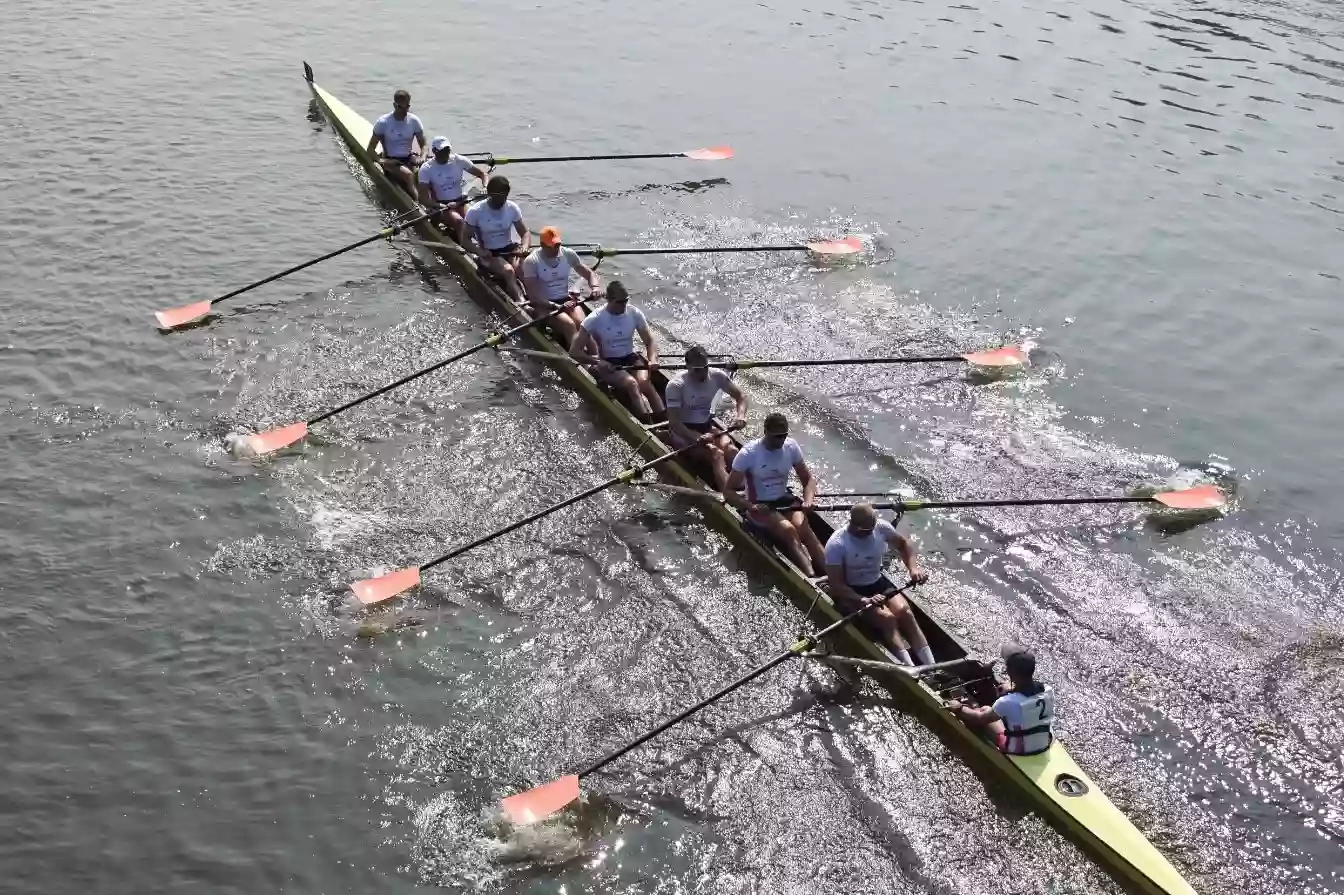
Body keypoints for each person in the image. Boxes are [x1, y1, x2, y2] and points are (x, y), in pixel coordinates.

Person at [823, 503, 933, 666]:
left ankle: (932, 666)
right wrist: (862, 600)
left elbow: (904, 545)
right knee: (887, 619)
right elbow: (836, 584)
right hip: (853, 591)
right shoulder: (837, 544)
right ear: (858, 528)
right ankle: (910, 669)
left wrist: (913, 569)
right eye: (870, 528)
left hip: (877, 582)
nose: (874, 529)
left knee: (905, 612)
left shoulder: (881, 527)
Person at [722, 412, 827, 575]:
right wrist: (751, 506)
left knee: (804, 529)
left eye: (784, 435)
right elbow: (728, 491)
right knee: (790, 531)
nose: (782, 440)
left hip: (784, 499)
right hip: (760, 505)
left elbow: (808, 480)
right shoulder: (749, 453)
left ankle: (832, 576)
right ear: (766, 432)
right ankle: (812, 579)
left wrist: (808, 500)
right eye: (777, 436)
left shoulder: (791, 447)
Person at [568, 281, 664, 422]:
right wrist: (598, 362)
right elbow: (574, 352)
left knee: (644, 383)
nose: (624, 305)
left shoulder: (634, 313)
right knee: (632, 384)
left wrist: (653, 359)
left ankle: (667, 424)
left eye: (626, 301)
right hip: (608, 362)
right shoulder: (595, 319)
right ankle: (648, 427)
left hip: (630, 358)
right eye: (620, 302)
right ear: (610, 299)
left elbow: (650, 341)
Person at [947, 643, 1056, 756]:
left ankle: (972, 705)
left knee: (984, 710)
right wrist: (1013, 689)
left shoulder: (1007, 702)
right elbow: (1027, 697)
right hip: (1045, 742)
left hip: (1019, 750)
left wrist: (959, 708)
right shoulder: (1047, 689)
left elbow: (979, 719)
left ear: (1010, 672)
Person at [665, 345, 748, 488]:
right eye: (697, 370)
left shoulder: (717, 376)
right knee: (717, 454)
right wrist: (695, 437)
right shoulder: (676, 386)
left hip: (707, 427)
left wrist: (740, 416)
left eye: (705, 367)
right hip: (684, 434)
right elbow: (674, 423)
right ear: (688, 367)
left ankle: (749, 489)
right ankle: (730, 496)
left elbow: (741, 397)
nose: (703, 373)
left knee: (733, 451)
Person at [520, 227, 599, 344]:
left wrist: (595, 287)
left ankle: (596, 356)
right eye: (552, 246)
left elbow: (589, 273)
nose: (556, 248)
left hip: (566, 299)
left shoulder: (568, 254)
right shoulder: (532, 261)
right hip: (544, 305)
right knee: (569, 325)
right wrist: (555, 306)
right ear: (542, 245)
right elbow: (533, 296)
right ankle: (576, 358)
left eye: (558, 244)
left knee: (583, 324)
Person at [463, 175, 530, 301]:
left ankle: (540, 298)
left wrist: (524, 247)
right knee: (509, 271)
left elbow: (525, 233)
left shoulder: (512, 207)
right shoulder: (476, 211)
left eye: (505, 196)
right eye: (500, 197)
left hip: (509, 248)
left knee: (524, 269)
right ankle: (522, 304)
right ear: (490, 194)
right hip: (489, 253)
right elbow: (465, 240)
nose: (503, 200)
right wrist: (479, 251)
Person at [416, 136, 487, 241]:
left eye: (447, 150)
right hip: (441, 206)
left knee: (477, 221)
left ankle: (485, 247)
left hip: (460, 202)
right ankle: (467, 251)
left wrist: (485, 187)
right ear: (434, 151)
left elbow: (482, 174)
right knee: (459, 222)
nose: (446, 153)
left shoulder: (459, 160)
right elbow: (422, 199)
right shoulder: (426, 169)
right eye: (442, 151)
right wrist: (440, 205)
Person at [366, 89, 426, 199]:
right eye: (400, 107)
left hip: (408, 157)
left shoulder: (414, 121)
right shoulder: (383, 122)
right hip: (391, 160)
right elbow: (370, 150)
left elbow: (424, 145)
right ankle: (420, 204)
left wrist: (422, 157)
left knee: (425, 171)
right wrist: (382, 161)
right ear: (394, 105)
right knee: (408, 175)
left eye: (407, 107)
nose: (404, 111)